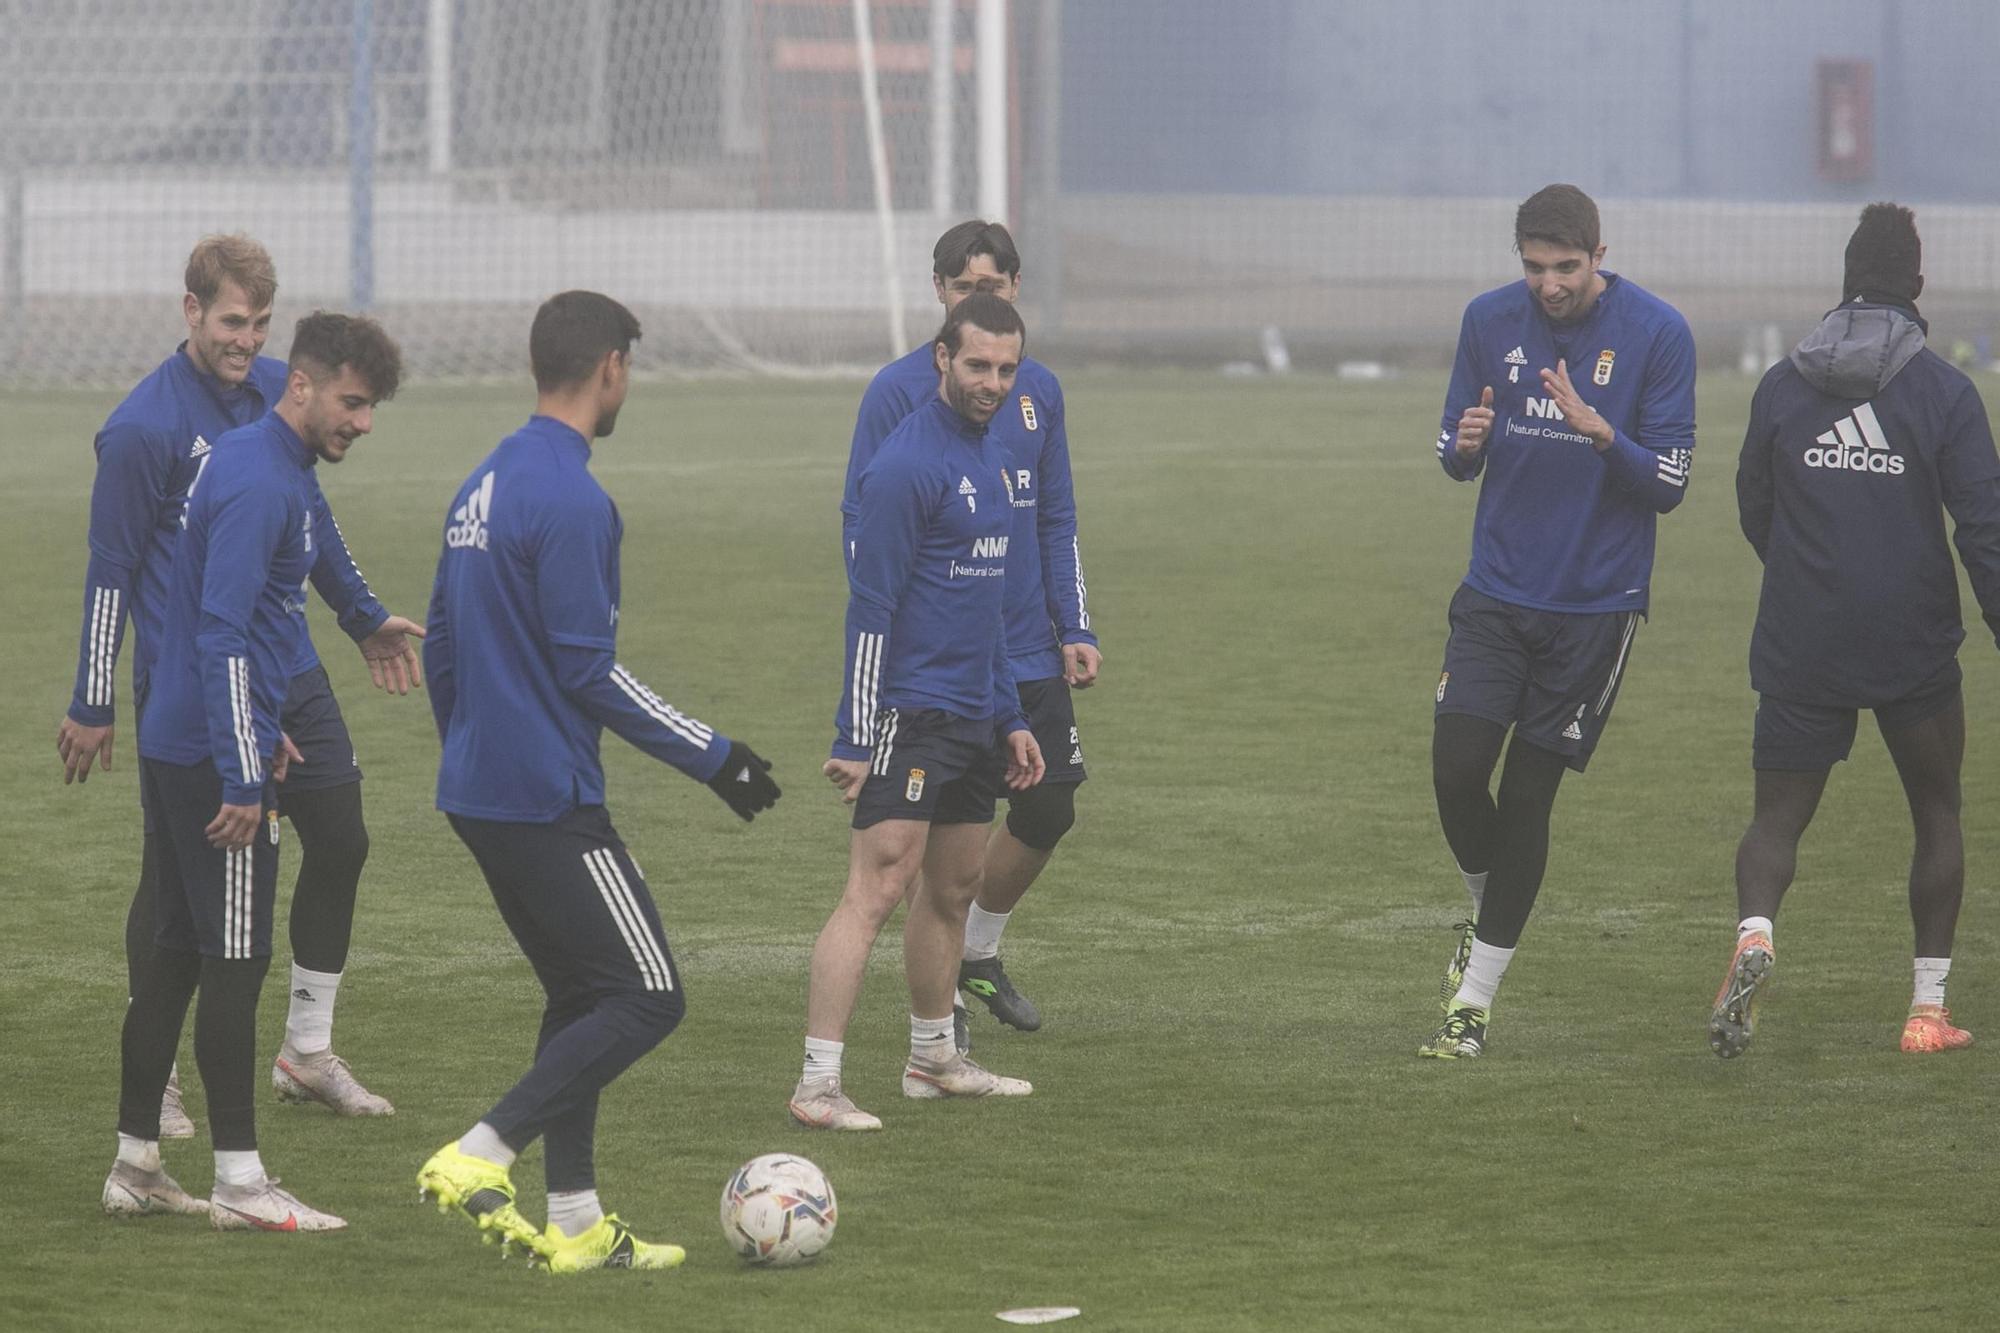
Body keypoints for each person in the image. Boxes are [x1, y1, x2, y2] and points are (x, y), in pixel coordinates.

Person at [416, 291, 781, 1272]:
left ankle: (574, 1222)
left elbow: (440, 648)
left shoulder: (481, 483)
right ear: (610, 367)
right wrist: (718, 758)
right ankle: (479, 1152)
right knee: (648, 993)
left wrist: (472, 752)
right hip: (544, 797)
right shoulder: (573, 499)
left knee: (582, 991)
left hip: (481, 789)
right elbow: (588, 669)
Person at [62, 236, 416, 1142]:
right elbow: (110, 570)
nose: (244, 340)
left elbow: (313, 523)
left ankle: (306, 1049)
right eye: (230, 321)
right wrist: (94, 696)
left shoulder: (275, 395)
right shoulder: (144, 429)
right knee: (176, 885)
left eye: (259, 324)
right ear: (190, 312)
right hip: (194, 677)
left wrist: (362, 615)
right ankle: (164, 1078)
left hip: (284, 667)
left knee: (341, 833)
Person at [1712, 202, 2000, 1059]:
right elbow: (1982, 526)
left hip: (1802, 638)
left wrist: (1804, 575)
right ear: (1918, 285)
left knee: (1777, 820)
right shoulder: (1944, 392)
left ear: (1844, 278)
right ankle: (1925, 1011)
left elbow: (1752, 503)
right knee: (1937, 809)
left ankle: (1756, 933)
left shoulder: (1780, 382)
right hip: (1909, 645)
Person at [1422, 184, 1696, 1060]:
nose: (1549, 286)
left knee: (1531, 795)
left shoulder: (1659, 334)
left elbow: (1671, 484)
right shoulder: (1486, 321)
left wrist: (1600, 431)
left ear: (1599, 254)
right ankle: (1490, 907)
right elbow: (1451, 450)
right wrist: (1462, 447)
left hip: (1594, 611)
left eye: (1566, 268)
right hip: (1497, 594)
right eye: (1535, 268)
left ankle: (1472, 1004)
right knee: (1458, 769)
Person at [840, 220, 1100, 1050]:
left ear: (1015, 291)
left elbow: (1054, 515)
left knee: (1049, 805)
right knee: (921, 852)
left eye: (994, 285)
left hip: (1021, 646)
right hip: (940, 662)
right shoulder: (898, 393)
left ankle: (976, 955)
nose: (980, 298)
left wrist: (1074, 622)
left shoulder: (1036, 393)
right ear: (941, 298)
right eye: (963, 287)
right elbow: (863, 525)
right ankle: (933, 1018)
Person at [791, 292, 1046, 1132]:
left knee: (956, 886)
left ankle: (933, 1058)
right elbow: (871, 606)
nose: (993, 383)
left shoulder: (993, 456)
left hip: (974, 713)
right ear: (942, 358)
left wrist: (1011, 714)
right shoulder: (906, 465)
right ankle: (818, 1084)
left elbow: (990, 614)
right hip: (910, 712)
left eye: (1007, 369)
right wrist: (856, 736)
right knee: (879, 885)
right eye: (978, 365)